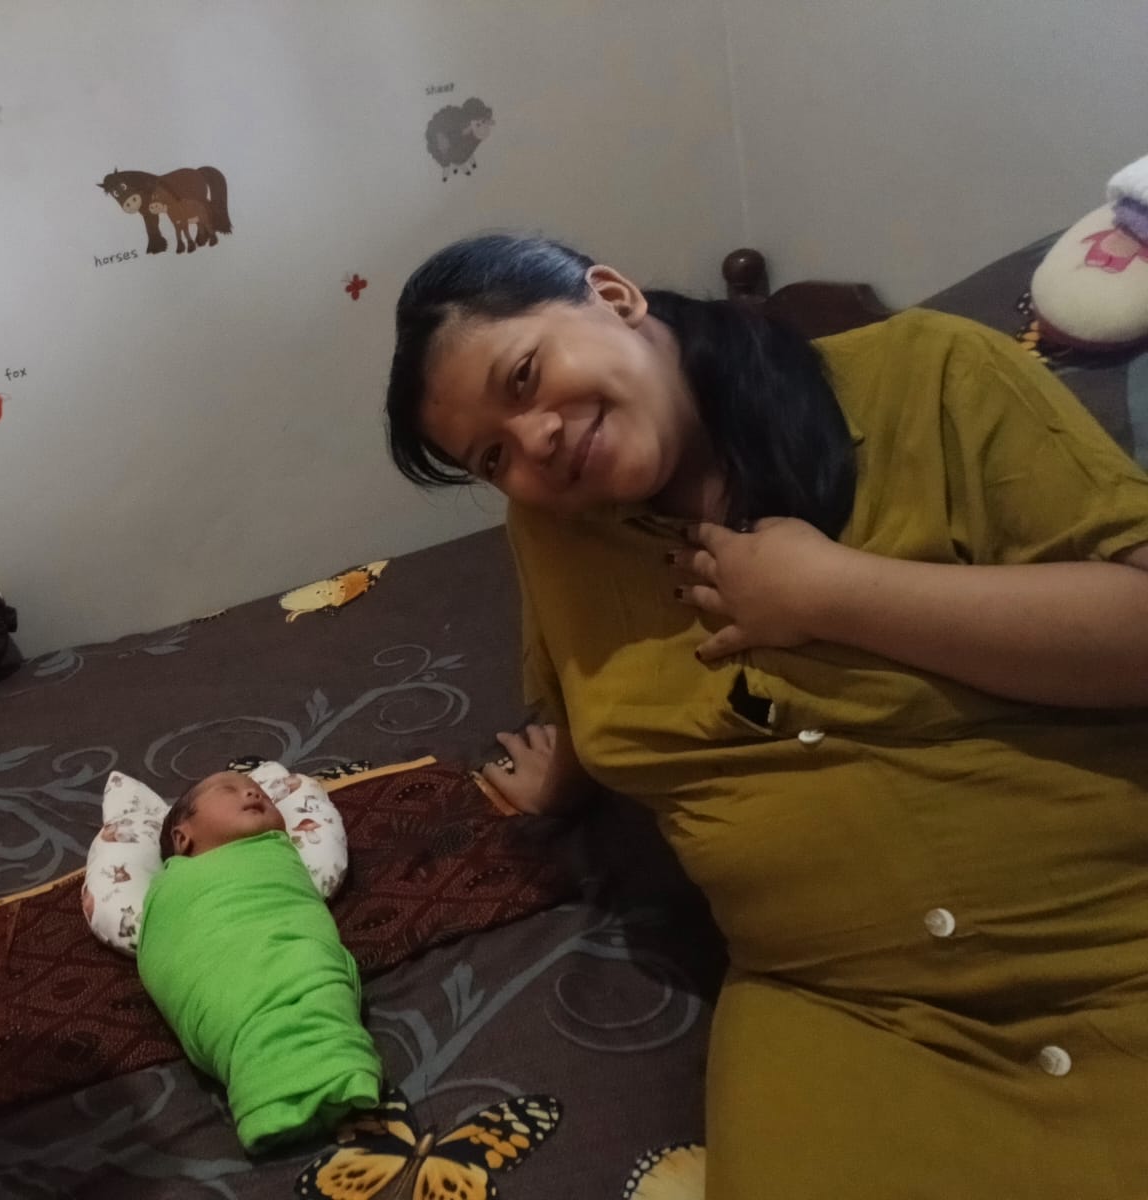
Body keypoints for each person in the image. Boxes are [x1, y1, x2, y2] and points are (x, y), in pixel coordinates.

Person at [383, 233, 1148, 1197]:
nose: (532, 442)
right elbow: (588, 679)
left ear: (612, 295)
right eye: (492, 455)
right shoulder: (551, 529)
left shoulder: (932, 373)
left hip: (1111, 937)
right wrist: (563, 779)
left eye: (526, 375)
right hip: (841, 1009)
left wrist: (838, 596)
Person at [138, 771, 381, 1152]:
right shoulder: (174, 888)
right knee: (242, 998)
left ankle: (313, 1075)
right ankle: (298, 1079)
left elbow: (293, 910)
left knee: (308, 967)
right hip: (228, 970)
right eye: (228, 790)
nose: (253, 793)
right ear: (183, 838)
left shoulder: (277, 855)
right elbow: (171, 950)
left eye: (260, 792)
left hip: (293, 950)